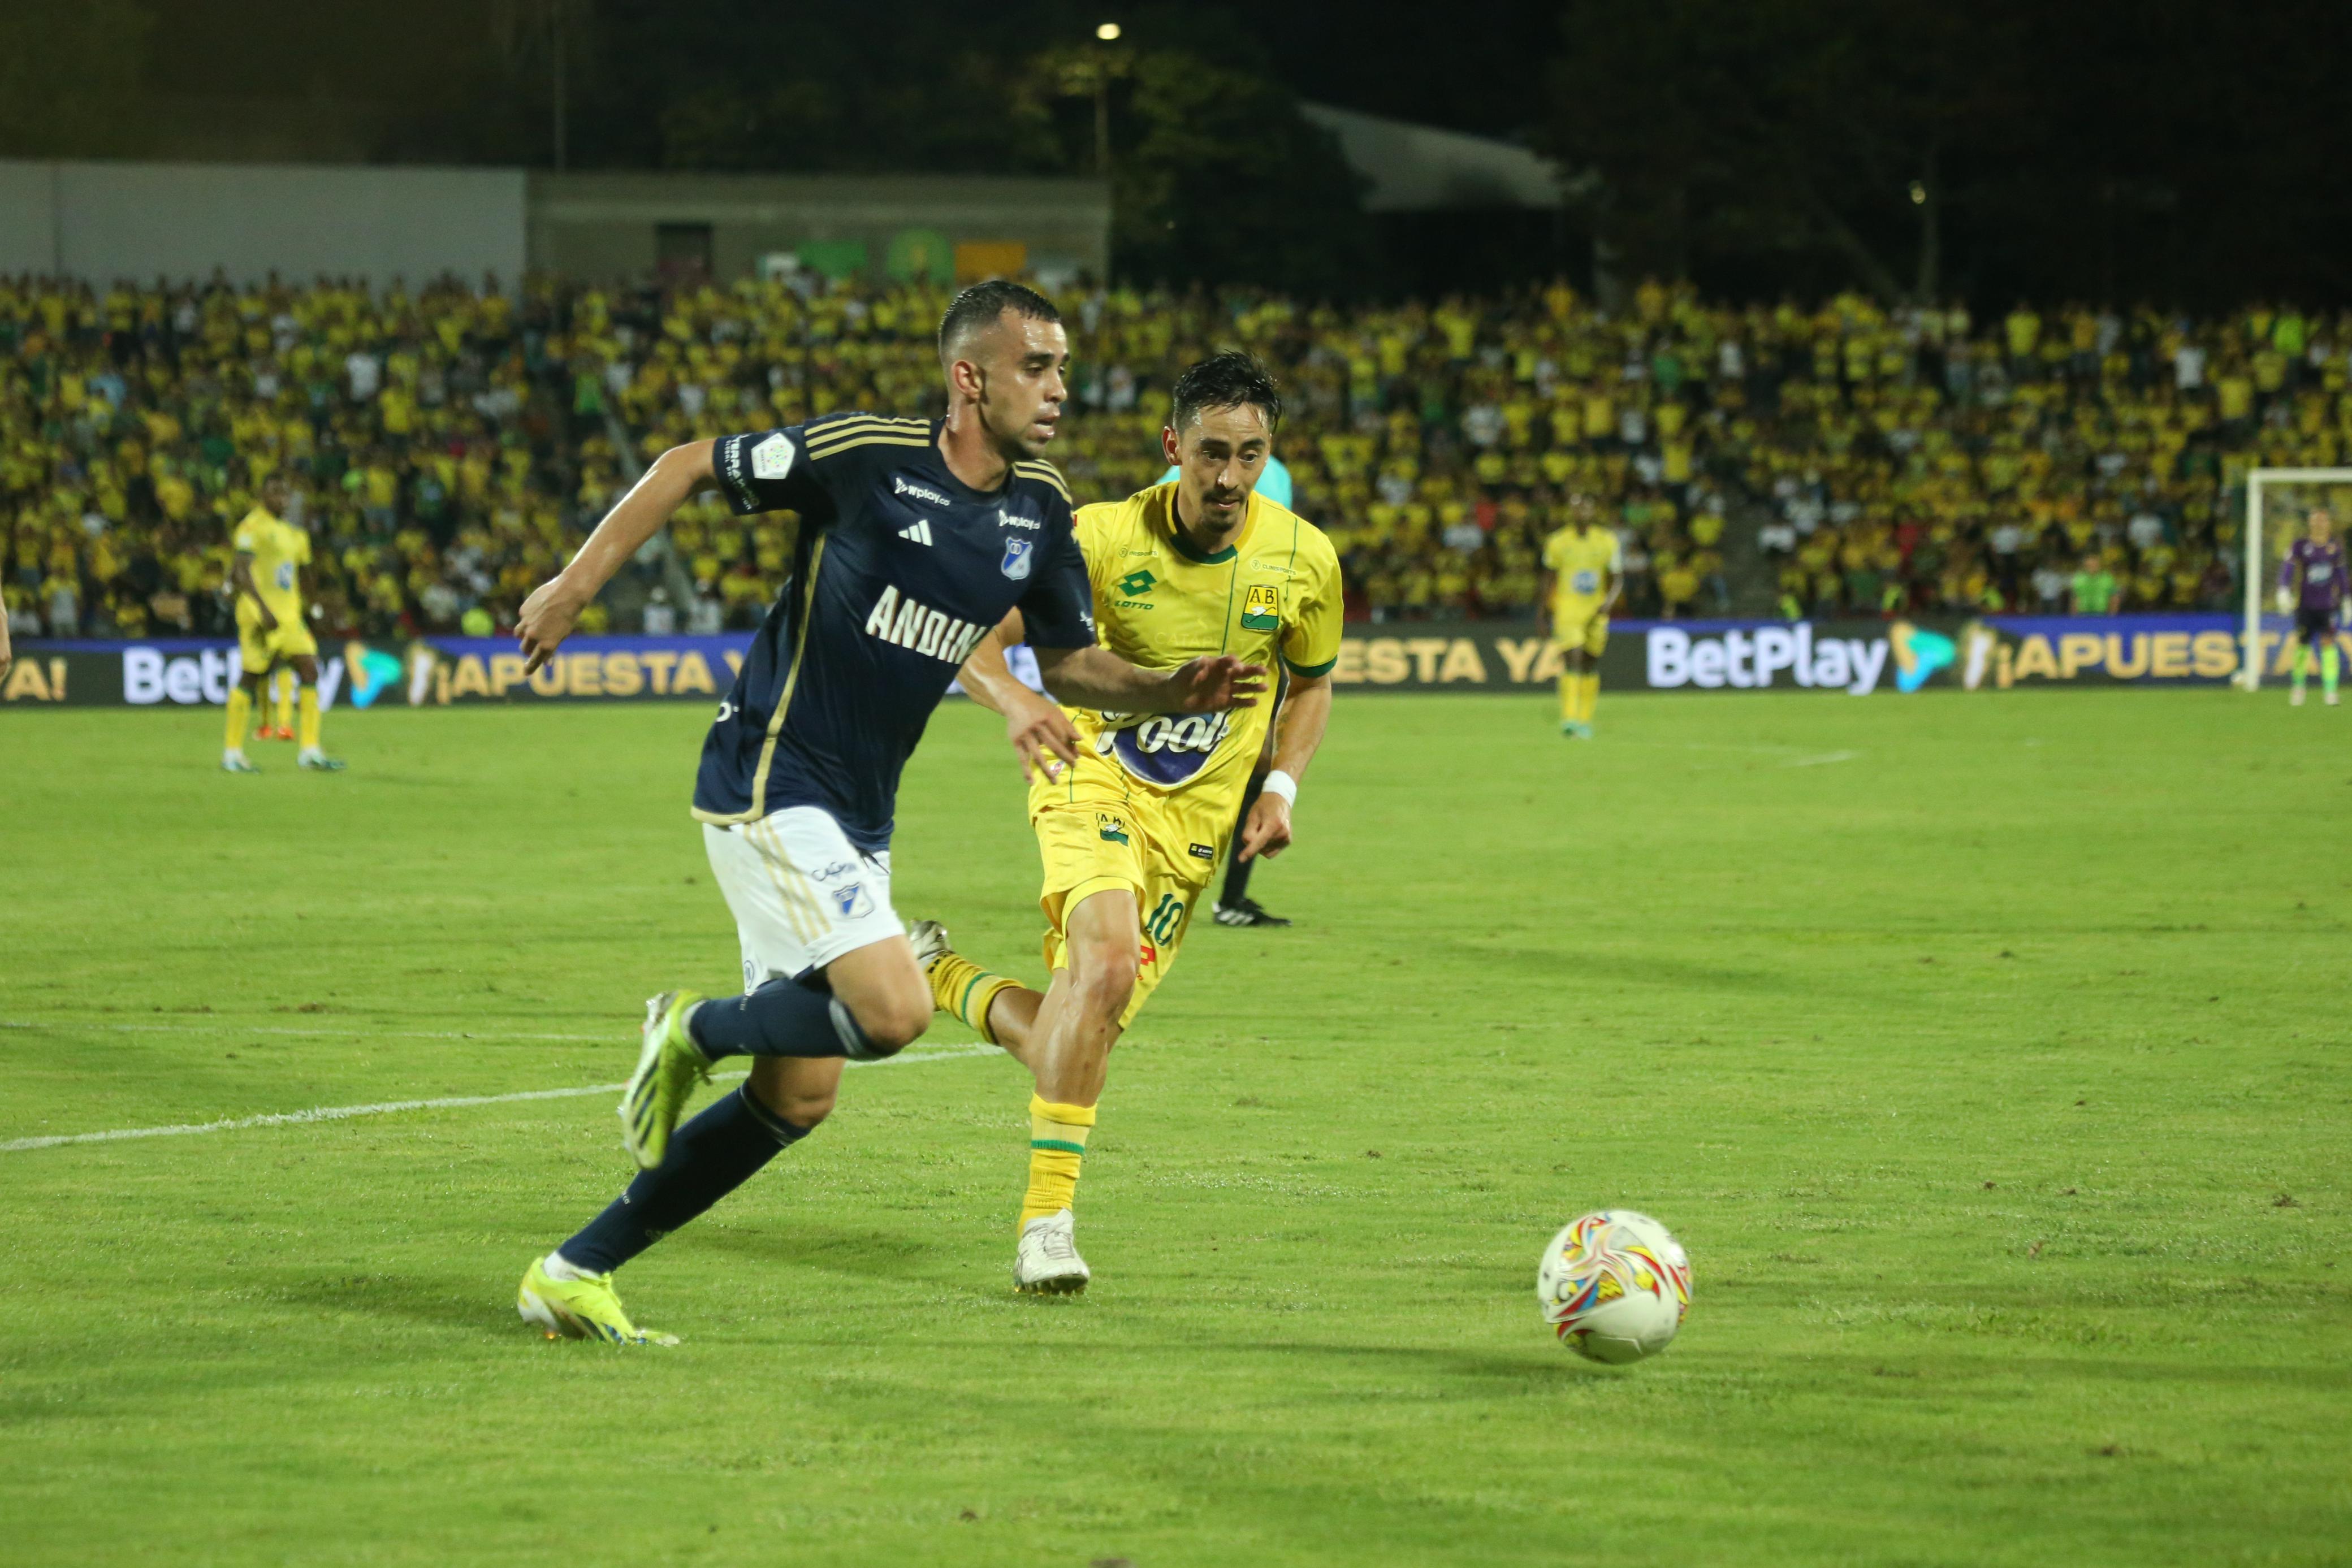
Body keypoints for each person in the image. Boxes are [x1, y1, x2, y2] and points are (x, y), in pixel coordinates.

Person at [509, 282, 1264, 1344]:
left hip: (858, 811)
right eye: (1035, 368)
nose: (1058, 389)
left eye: (1061, 368)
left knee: (798, 1099)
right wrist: (576, 584)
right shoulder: (865, 454)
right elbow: (687, 462)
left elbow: (1072, 664)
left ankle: (574, 1267)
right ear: (971, 379)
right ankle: (690, 1025)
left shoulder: (1038, 506)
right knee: (896, 1010)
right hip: (772, 772)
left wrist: (1164, 688)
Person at [915, 352, 1340, 1293]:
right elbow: (979, 631)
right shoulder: (1098, 539)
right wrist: (1025, 704)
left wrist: (1282, 788)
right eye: (1212, 453)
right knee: (1101, 965)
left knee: (1076, 1026)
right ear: (1173, 447)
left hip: (1192, 832)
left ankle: (941, 976)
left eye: (1251, 456)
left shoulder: (1306, 557)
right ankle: (1046, 1226)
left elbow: (1310, 683)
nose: (1229, 478)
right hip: (1090, 771)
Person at [223, 475, 343, 773]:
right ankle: (232, 754)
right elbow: (239, 572)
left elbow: (305, 574)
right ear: (262, 494)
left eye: (285, 493)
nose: (280, 498)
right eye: (274, 492)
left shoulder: (293, 534)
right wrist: (262, 609)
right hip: (259, 615)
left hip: (290, 617)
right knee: (251, 678)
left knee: (310, 668)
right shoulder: (253, 526)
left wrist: (314, 608)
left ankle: (310, 751)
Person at [1537, 492, 1622, 738]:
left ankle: (1585, 721)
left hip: (1596, 610)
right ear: (1570, 512)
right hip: (1568, 609)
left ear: (1593, 511)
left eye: (1585, 508)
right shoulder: (1557, 542)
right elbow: (1548, 579)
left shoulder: (1607, 541)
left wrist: (1609, 602)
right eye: (1576, 508)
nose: (1581, 513)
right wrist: (1542, 613)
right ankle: (1569, 719)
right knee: (1572, 658)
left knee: (1589, 662)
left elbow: (1617, 578)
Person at [2277, 506, 2346, 707]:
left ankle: (2330, 691)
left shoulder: (2335, 547)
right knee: (2303, 645)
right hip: (2306, 605)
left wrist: (2347, 598)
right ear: (2310, 523)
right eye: (2316, 520)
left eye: (2323, 521)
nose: (2319, 524)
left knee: (2328, 644)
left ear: (2329, 524)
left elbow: (2341, 576)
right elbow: (2288, 569)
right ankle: (2298, 688)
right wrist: (2283, 589)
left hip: (2327, 606)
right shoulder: (2300, 546)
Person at [2069, 552, 2121, 616]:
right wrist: (2074, 617)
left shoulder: (2108, 578)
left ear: (2099, 564)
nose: (2092, 566)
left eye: (2094, 564)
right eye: (2089, 565)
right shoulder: (2078, 578)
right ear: (2085, 565)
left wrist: (2112, 617)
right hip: (2082, 616)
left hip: (2102, 615)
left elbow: (2115, 599)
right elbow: (2075, 599)